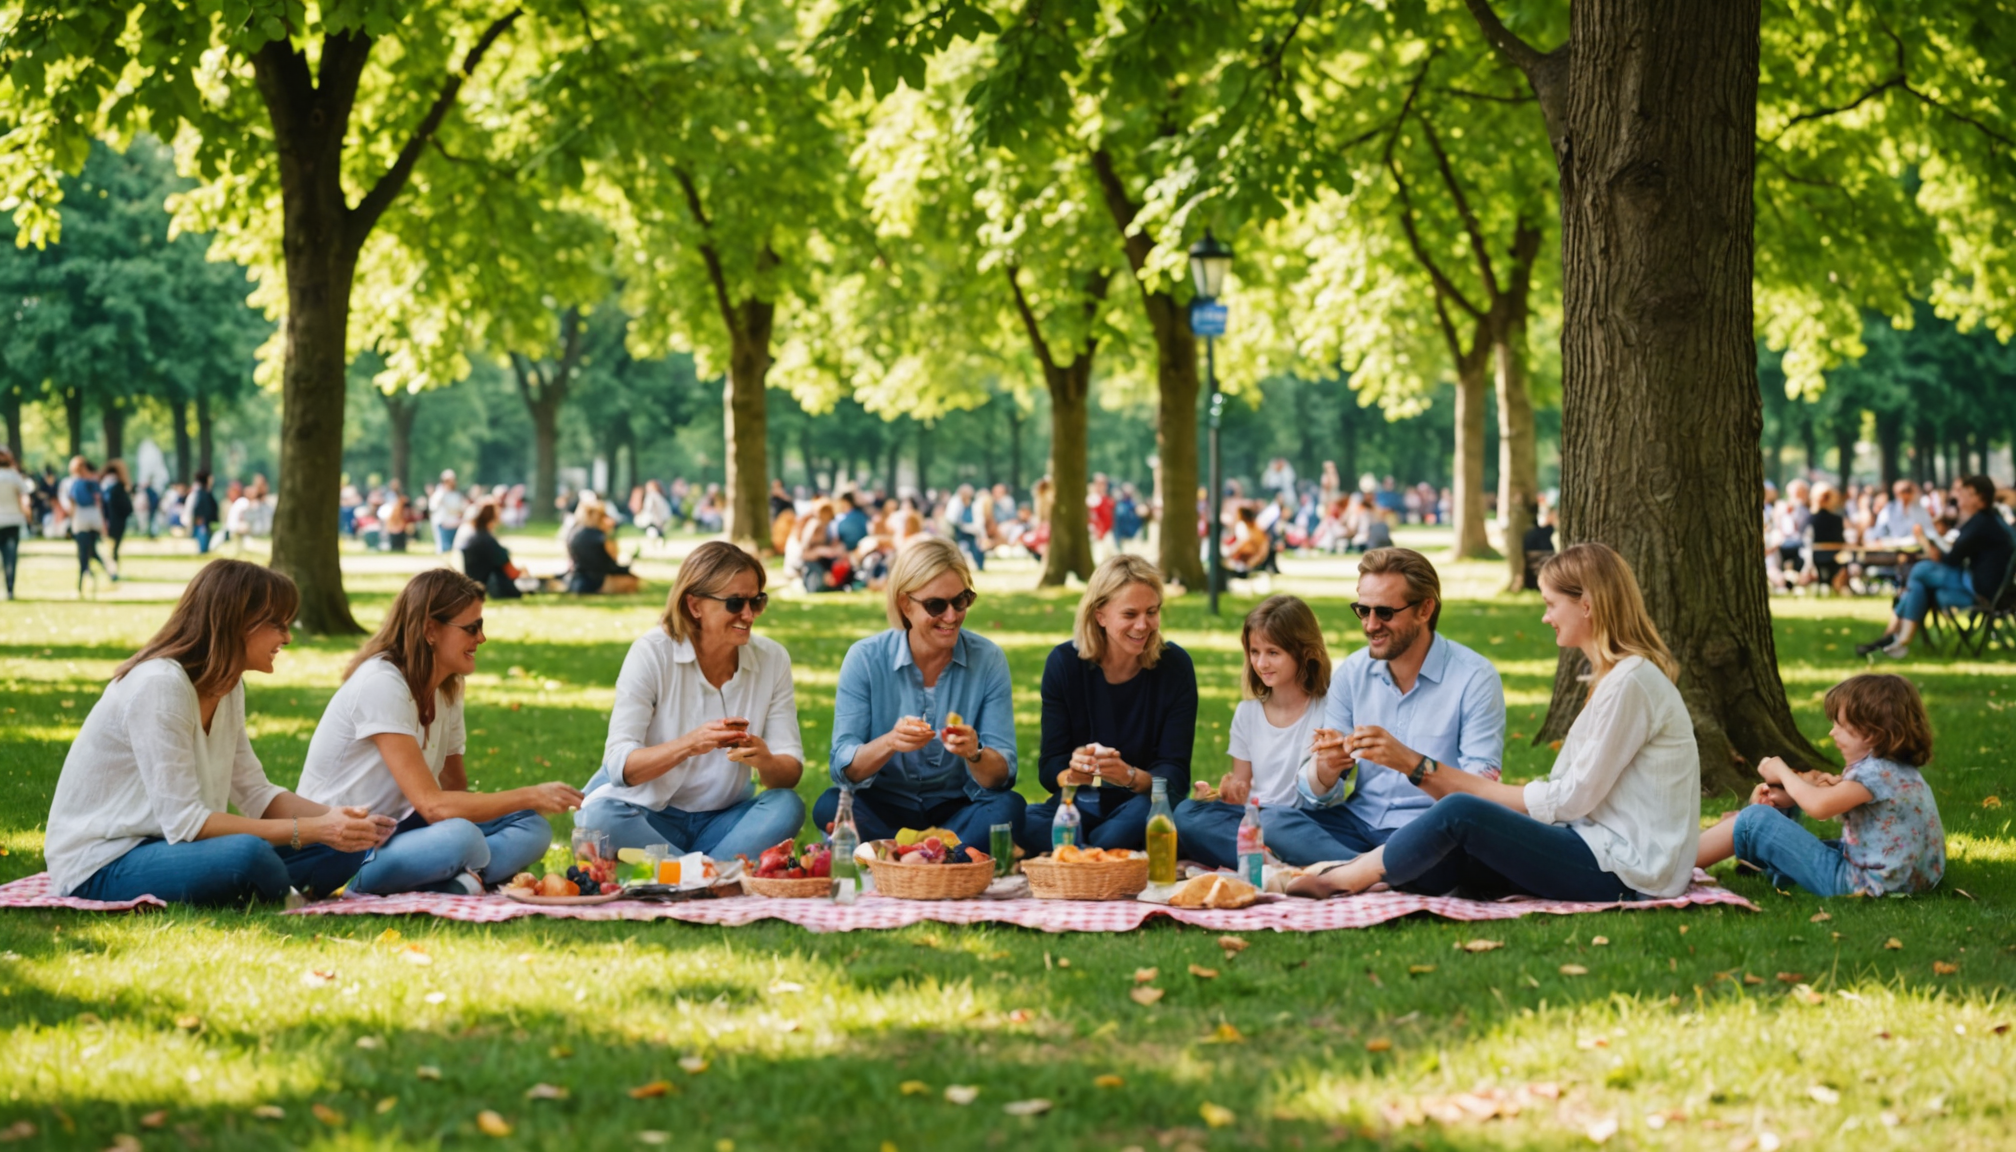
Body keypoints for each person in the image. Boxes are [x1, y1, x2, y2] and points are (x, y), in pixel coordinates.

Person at [1291, 543, 1700, 901]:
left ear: (1587, 605)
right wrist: (1331, 764)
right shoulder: (1618, 679)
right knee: (1451, 844)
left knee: (1460, 815)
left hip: (1624, 869)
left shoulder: (1631, 682)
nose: (1545, 617)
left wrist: (1428, 772)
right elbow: (1574, 797)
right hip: (1595, 848)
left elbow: (1571, 799)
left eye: (1550, 604)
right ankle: (1391, 866)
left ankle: (1346, 877)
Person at [44, 560, 394, 904]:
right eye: (277, 624)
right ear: (237, 623)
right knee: (247, 854)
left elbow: (255, 792)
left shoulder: (227, 686)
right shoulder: (159, 686)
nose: (287, 637)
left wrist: (338, 822)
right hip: (104, 862)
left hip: (174, 848)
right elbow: (186, 823)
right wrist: (313, 829)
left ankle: (263, 887)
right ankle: (272, 890)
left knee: (343, 848)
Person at [296, 571, 573, 894]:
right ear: (430, 630)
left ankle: (459, 880)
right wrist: (531, 794)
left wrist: (520, 807)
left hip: (405, 830)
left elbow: (454, 787)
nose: (481, 638)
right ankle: (453, 878)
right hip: (347, 852)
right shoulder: (381, 683)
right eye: (472, 628)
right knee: (461, 837)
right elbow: (434, 806)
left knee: (532, 826)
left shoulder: (447, 687)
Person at [1254, 548, 1505, 866]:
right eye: (1363, 610)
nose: (1371, 625)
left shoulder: (1475, 678)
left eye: (1385, 612)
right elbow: (1315, 793)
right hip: (1356, 823)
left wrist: (1411, 763)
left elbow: (1480, 796)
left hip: (1429, 831)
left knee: (1450, 856)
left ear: (1425, 609)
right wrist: (1327, 769)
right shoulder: (1352, 672)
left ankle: (1348, 868)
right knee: (1266, 820)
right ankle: (1372, 871)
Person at [576, 542, 807, 857]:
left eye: (757, 601)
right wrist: (690, 744)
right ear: (695, 606)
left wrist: (764, 758)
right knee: (597, 820)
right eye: (735, 603)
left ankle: (685, 874)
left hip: (724, 820)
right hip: (646, 815)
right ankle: (712, 874)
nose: (749, 614)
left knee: (787, 806)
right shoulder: (652, 653)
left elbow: (788, 773)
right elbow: (619, 765)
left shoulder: (772, 659)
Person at [818, 538, 1026, 847]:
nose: (952, 616)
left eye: (961, 600)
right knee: (830, 804)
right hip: (884, 805)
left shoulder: (988, 658)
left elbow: (1001, 776)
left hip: (956, 808)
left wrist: (975, 752)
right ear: (905, 604)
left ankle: (898, 853)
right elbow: (844, 770)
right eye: (936, 605)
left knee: (1009, 807)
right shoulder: (865, 658)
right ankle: (946, 853)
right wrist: (890, 742)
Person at [1697, 673, 1943, 896]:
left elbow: (1819, 808)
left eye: (1840, 726)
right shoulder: (1897, 771)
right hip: (1905, 879)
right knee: (1783, 814)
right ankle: (1759, 855)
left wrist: (1781, 771)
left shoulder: (1874, 774)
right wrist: (1794, 794)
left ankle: (1674, 864)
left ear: (1872, 734)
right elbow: (1830, 800)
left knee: (1754, 820)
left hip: (1862, 883)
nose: (1832, 733)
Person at [1019, 555, 1196, 854]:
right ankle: (1097, 852)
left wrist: (1129, 776)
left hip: (1142, 803)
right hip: (1080, 802)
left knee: (1130, 826)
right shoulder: (1064, 664)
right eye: (1130, 614)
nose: (1143, 625)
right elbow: (1051, 766)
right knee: (1019, 822)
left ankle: (1081, 852)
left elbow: (1175, 775)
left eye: (1152, 612)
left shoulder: (1174, 666)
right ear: (1100, 615)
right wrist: (1074, 773)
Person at [1174, 595, 1330, 869]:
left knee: (1275, 826)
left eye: (1273, 653)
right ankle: (1274, 863)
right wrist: (1227, 796)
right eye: (1254, 652)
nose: (1261, 664)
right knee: (1186, 812)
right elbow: (1242, 787)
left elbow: (1327, 789)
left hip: (1300, 823)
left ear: (1304, 651)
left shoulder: (1327, 710)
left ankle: (1264, 859)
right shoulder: (1247, 714)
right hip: (1254, 818)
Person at [1857, 475, 2014, 658]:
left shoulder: (1981, 523)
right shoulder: (1988, 520)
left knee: (1921, 571)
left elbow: (1950, 559)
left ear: (1978, 498)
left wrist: (1928, 543)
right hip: (1980, 585)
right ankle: (1897, 641)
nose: (1959, 498)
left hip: (1980, 590)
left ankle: (1898, 639)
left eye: (1964, 494)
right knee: (1920, 585)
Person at [62, 457, 111, 596]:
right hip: (88, 520)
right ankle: (100, 574)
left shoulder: (80, 483)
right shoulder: (88, 483)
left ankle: (83, 583)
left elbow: (75, 503)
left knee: (86, 552)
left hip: (85, 520)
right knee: (88, 551)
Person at [566, 503, 639, 594]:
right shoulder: (603, 537)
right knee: (634, 580)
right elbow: (612, 564)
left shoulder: (573, 534)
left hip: (576, 579)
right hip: (597, 582)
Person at [460, 502, 527, 599]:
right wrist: (523, 571)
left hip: (474, 584)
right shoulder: (488, 541)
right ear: (494, 518)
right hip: (491, 587)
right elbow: (512, 572)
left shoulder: (473, 538)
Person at [0, 449, 26, 599]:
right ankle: (10, 589)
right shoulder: (14, 476)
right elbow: (24, 497)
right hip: (12, 520)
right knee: (10, 557)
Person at [101, 459, 135, 575]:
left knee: (110, 548)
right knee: (113, 549)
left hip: (106, 522)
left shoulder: (104, 486)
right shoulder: (118, 488)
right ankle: (113, 571)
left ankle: (111, 571)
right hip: (117, 523)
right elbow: (127, 508)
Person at [430, 470, 468, 554]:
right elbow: (433, 507)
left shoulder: (456, 494)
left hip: (454, 523)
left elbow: (461, 509)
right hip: (443, 524)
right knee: (445, 549)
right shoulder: (439, 493)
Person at [188, 471, 220, 554]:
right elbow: (203, 508)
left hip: (205, 522)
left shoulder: (202, 492)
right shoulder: (202, 493)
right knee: (203, 545)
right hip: (203, 523)